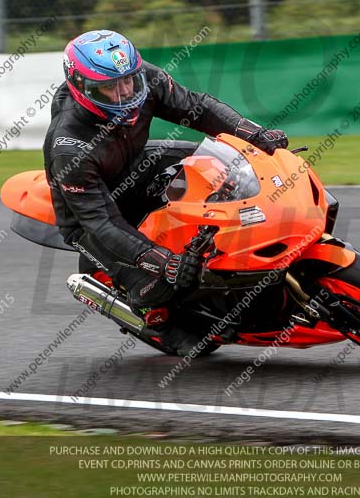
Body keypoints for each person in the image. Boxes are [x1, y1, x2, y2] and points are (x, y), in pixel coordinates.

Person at [43, 29, 289, 352]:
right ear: (82, 89)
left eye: (127, 80)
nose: (124, 93)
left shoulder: (142, 78)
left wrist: (252, 133)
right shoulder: (68, 147)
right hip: (90, 216)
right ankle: (156, 318)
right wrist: (164, 262)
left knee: (215, 167)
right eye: (108, 88)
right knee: (168, 286)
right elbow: (101, 223)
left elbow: (198, 108)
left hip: (134, 166)